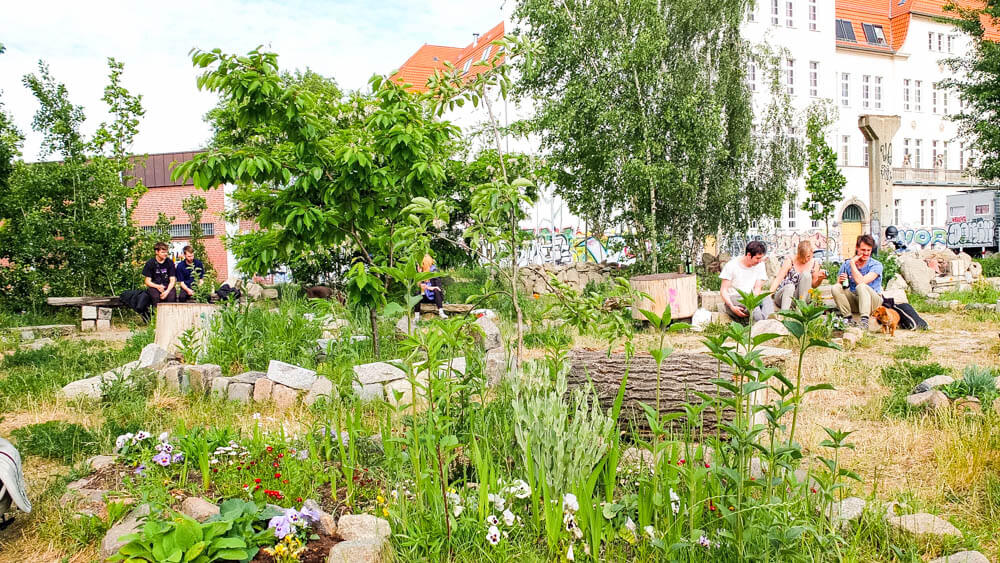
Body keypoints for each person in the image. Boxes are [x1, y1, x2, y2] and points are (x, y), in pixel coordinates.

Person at [832, 234, 883, 330]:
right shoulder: (845, 264)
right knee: (835, 288)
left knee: (861, 286)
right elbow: (838, 286)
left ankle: (864, 321)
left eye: (869, 250)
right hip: (855, 300)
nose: (866, 253)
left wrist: (852, 264)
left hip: (873, 303)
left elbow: (861, 282)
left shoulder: (876, 265)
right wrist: (840, 281)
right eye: (863, 250)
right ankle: (848, 318)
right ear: (857, 248)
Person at [719, 241, 773, 323]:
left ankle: (768, 323)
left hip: (751, 297)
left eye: (761, 258)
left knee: (766, 298)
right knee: (756, 309)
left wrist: (754, 300)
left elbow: (757, 288)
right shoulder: (731, 266)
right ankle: (762, 326)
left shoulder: (760, 265)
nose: (759, 261)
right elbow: (723, 290)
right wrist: (732, 307)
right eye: (757, 258)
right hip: (736, 298)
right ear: (748, 255)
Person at [769, 240, 826, 311]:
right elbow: (778, 279)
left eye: (808, 256)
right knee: (790, 287)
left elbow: (814, 285)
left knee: (806, 275)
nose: (805, 259)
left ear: (812, 252)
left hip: (802, 298)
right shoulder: (790, 261)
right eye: (802, 256)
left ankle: (801, 309)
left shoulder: (815, 264)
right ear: (798, 254)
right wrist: (768, 296)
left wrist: (820, 279)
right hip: (785, 296)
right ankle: (784, 314)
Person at [142, 242, 177, 307]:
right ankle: (156, 315)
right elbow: (147, 281)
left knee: (171, 297)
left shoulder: (170, 262)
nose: (165, 254)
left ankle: (170, 315)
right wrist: (158, 286)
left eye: (166, 252)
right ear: (157, 252)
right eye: (163, 252)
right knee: (155, 297)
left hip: (167, 286)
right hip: (154, 286)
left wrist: (167, 291)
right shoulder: (150, 263)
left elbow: (172, 280)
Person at [415, 254, 447, 322]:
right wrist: (419, 274)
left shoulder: (434, 272)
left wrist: (428, 287)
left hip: (435, 297)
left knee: (435, 290)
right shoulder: (422, 272)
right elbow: (418, 285)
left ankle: (441, 312)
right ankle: (417, 316)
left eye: (422, 264)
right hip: (425, 296)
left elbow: (438, 288)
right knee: (417, 293)